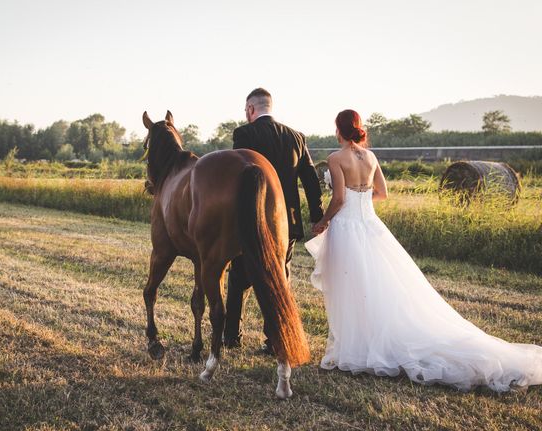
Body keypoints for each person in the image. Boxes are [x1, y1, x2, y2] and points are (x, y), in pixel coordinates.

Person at [305, 109, 542, 391]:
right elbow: (381, 193)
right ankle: (366, 346)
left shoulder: (335, 158)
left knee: (350, 289)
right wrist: (363, 206)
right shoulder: (371, 157)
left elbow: (339, 197)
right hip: (370, 225)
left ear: (339, 129)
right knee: (378, 287)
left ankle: (354, 349)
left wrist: (323, 221)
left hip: (346, 228)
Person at [223, 87, 323, 353]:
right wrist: (317, 216)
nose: (246, 115)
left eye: (246, 110)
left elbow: (238, 176)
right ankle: (275, 339)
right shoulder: (296, 137)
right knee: (280, 276)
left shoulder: (244, 134)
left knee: (239, 277)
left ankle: (232, 336)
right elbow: (311, 181)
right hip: (285, 222)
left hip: (252, 217)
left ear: (252, 109)